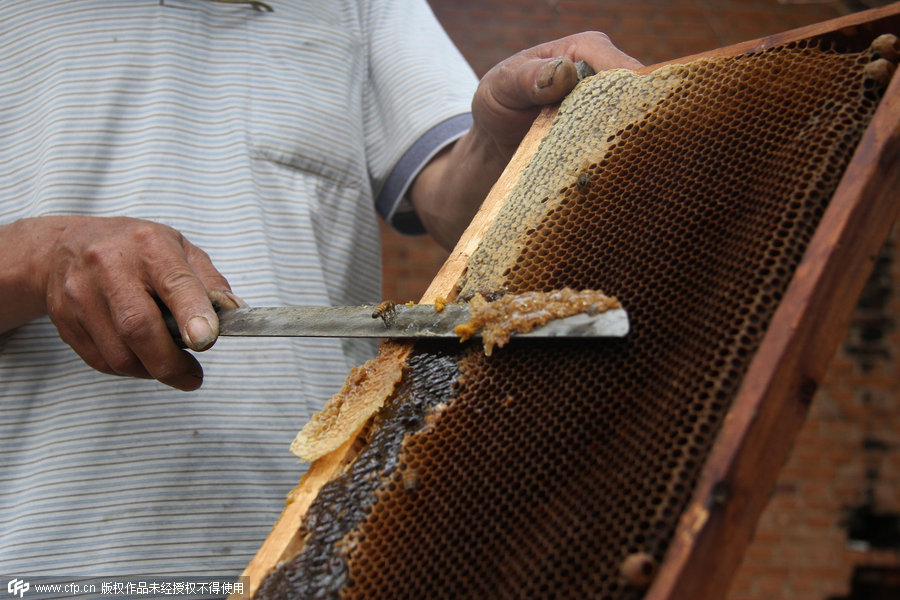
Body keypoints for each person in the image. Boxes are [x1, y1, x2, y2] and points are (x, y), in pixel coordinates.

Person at [0, 0, 640, 581]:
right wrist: (37, 259)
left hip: (324, 554)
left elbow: (460, 208)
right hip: (44, 563)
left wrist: (505, 144)